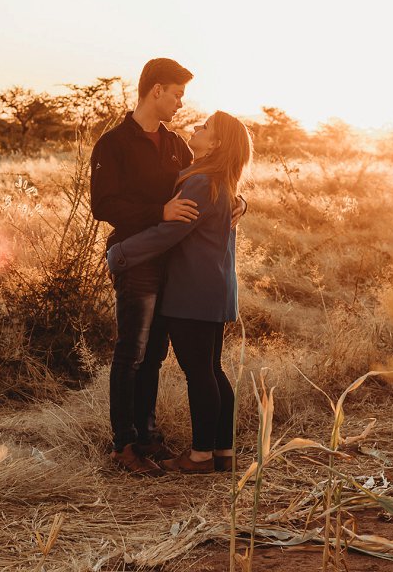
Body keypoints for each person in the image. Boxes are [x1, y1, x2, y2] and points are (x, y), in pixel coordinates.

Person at [106, 111, 253, 474]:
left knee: (199, 372)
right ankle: (223, 452)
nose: (196, 129)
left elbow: (169, 232)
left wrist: (121, 253)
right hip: (213, 288)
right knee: (211, 370)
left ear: (216, 143)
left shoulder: (202, 182)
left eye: (204, 128)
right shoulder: (219, 179)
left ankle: (201, 455)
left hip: (193, 290)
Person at [90, 58, 197, 474]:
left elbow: (203, 183)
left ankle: (148, 437)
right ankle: (124, 447)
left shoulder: (176, 145)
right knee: (130, 353)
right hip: (135, 259)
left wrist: (238, 202)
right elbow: (104, 206)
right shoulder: (112, 144)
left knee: (154, 354)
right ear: (156, 90)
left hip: (172, 262)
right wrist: (160, 211)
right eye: (176, 94)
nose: (179, 103)